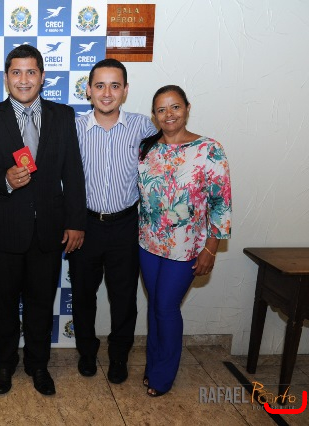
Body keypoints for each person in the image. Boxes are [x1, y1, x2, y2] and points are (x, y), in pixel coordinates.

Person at [0, 45, 86, 396]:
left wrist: (76, 222)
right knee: (2, 305)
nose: (24, 79)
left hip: (48, 230)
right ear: (6, 78)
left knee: (41, 303)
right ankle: (3, 364)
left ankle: (38, 364)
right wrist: (3, 178)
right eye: (16, 72)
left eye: (31, 72)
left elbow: (73, 173)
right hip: (4, 230)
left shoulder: (63, 115)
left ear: (42, 77)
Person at [138, 85, 231, 396]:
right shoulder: (147, 148)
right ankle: (153, 366)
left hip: (187, 248)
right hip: (148, 244)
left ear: (187, 108)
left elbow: (221, 204)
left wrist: (211, 250)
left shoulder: (209, 150)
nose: (169, 114)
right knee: (155, 306)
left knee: (166, 307)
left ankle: (163, 376)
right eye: (161, 109)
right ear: (154, 115)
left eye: (175, 107)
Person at [69, 59, 156, 384]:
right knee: (83, 295)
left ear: (125, 90)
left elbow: (172, 152)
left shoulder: (143, 127)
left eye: (115, 85)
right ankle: (87, 352)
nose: (107, 93)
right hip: (84, 225)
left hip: (125, 225)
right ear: (89, 90)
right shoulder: (74, 128)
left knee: (124, 298)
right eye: (100, 85)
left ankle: (119, 356)